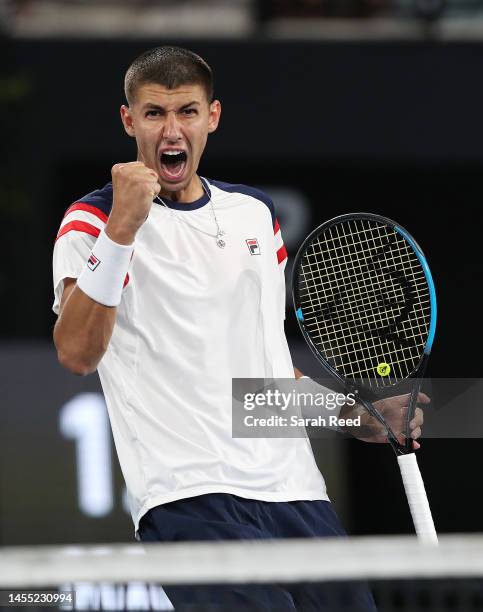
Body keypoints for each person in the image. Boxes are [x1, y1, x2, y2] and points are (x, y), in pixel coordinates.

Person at [52, 46, 427, 611]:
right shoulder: (91, 221)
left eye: (187, 111)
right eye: (154, 113)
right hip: (188, 497)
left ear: (213, 117)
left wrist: (350, 414)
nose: (171, 129)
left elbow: (266, 368)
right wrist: (123, 227)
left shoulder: (255, 215)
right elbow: (78, 352)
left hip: (296, 493)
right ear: (129, 121)